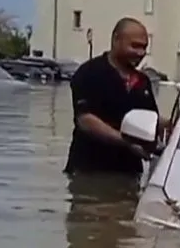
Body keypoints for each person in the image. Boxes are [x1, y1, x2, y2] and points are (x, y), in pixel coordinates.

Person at [63, 17, 170, 175]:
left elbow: (150, 119)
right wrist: (127, 142)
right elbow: (85, 120)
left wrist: (174, 124)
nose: (140, 53)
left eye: (144, 47)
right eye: (135, 46)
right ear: (116, 40)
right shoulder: (89, 73)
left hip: (129, 174)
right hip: (89, 172)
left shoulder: (142, 81)